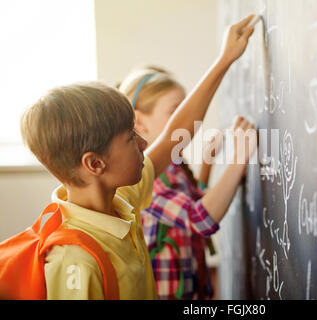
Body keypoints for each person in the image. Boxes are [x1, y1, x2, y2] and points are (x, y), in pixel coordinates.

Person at [18, 14, 256, 299]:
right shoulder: (75, 262)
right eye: (131, 137)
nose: (144, 143)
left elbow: (173, 135)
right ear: (95, 164)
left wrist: (224, 60)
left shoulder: (122, 196)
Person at [119, 66, 256, 299]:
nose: (189, 122)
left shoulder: (174, 165)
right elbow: (199, 218)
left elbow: (193, 201)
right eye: (176, 112)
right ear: (139, 122)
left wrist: (207, 162)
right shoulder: (143, 176)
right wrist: (238, 161)